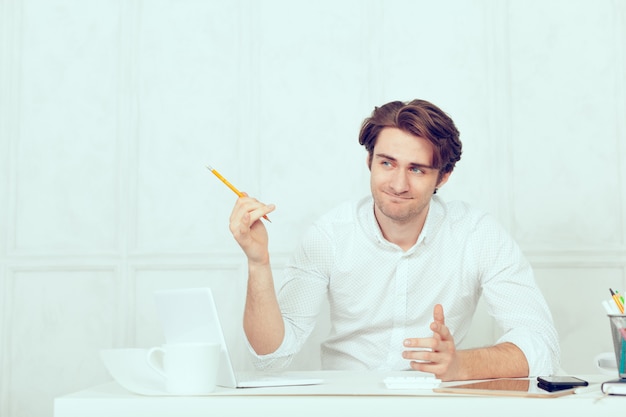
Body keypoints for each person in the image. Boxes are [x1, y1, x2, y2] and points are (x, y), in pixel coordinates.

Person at [228, 99, 560, 381]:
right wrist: (258, 263)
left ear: (443, 177)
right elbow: (271, 358)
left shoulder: (477, 235)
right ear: (369, 161)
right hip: (347, 407)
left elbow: (541, 346)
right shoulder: (329, 236)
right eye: (387, 163)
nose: (398, 184)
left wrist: (459, 365)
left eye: (417, 170)